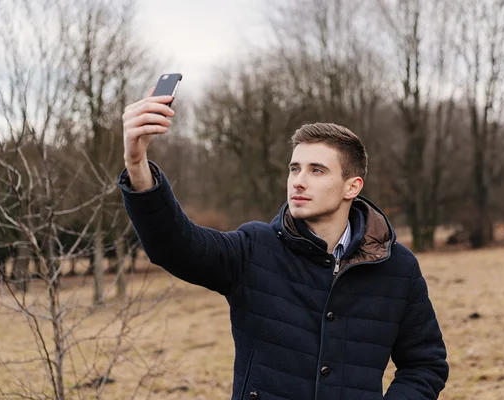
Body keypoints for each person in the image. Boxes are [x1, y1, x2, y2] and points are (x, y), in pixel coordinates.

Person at [119, 90, 449, 400]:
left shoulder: (397, 267)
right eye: (295, 168)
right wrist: (137, 165)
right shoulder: (254, 249)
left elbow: (425, 364)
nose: (299, 180)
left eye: (316, 170)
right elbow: (175, 245)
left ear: (352, 186)